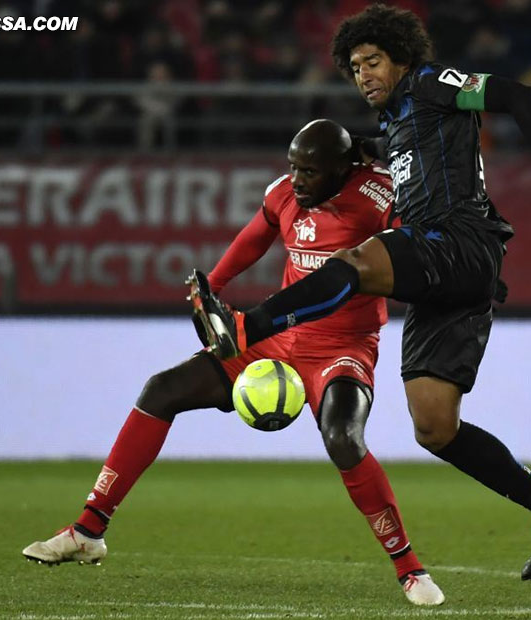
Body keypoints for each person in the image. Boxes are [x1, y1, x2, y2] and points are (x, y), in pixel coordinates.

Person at [192, 4, 531, 583]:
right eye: (355, 67)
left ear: (402, 57)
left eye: (373, 61)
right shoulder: (396, 123)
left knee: (354, 263)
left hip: (457, 241)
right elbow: (424, 163)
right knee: (434, 427)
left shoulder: (432, 85)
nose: (364, 75)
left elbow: (520, 95)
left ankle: (248, 328)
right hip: (448, 274)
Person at [23, 119, 445, 607]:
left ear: (343, 169)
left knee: (342, 438)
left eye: (309, 171)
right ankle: (88, 529)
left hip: (343, 345)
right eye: (293, 167)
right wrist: (214, 287)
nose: (297, 179)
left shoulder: (381, 197)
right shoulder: (285, 193)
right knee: (161, 391)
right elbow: (255, 236)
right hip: (274, 337)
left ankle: (409, 569)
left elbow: (417, 256)